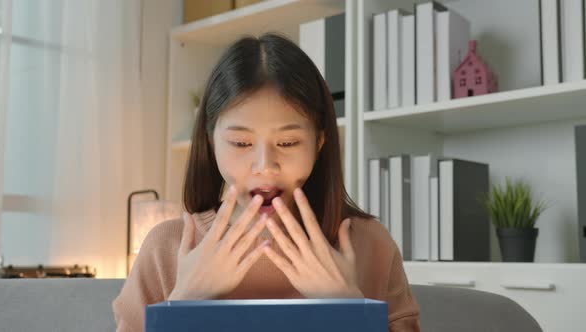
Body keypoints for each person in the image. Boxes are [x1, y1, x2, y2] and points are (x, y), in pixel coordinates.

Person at [112, 33, 420, 332]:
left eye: (287, 143)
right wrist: (182, 303)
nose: (265, 167)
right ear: (211, 143)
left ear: (320, 143)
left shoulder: (370, 245)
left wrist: (351, 308)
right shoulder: (167, 247)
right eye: (241, 143)